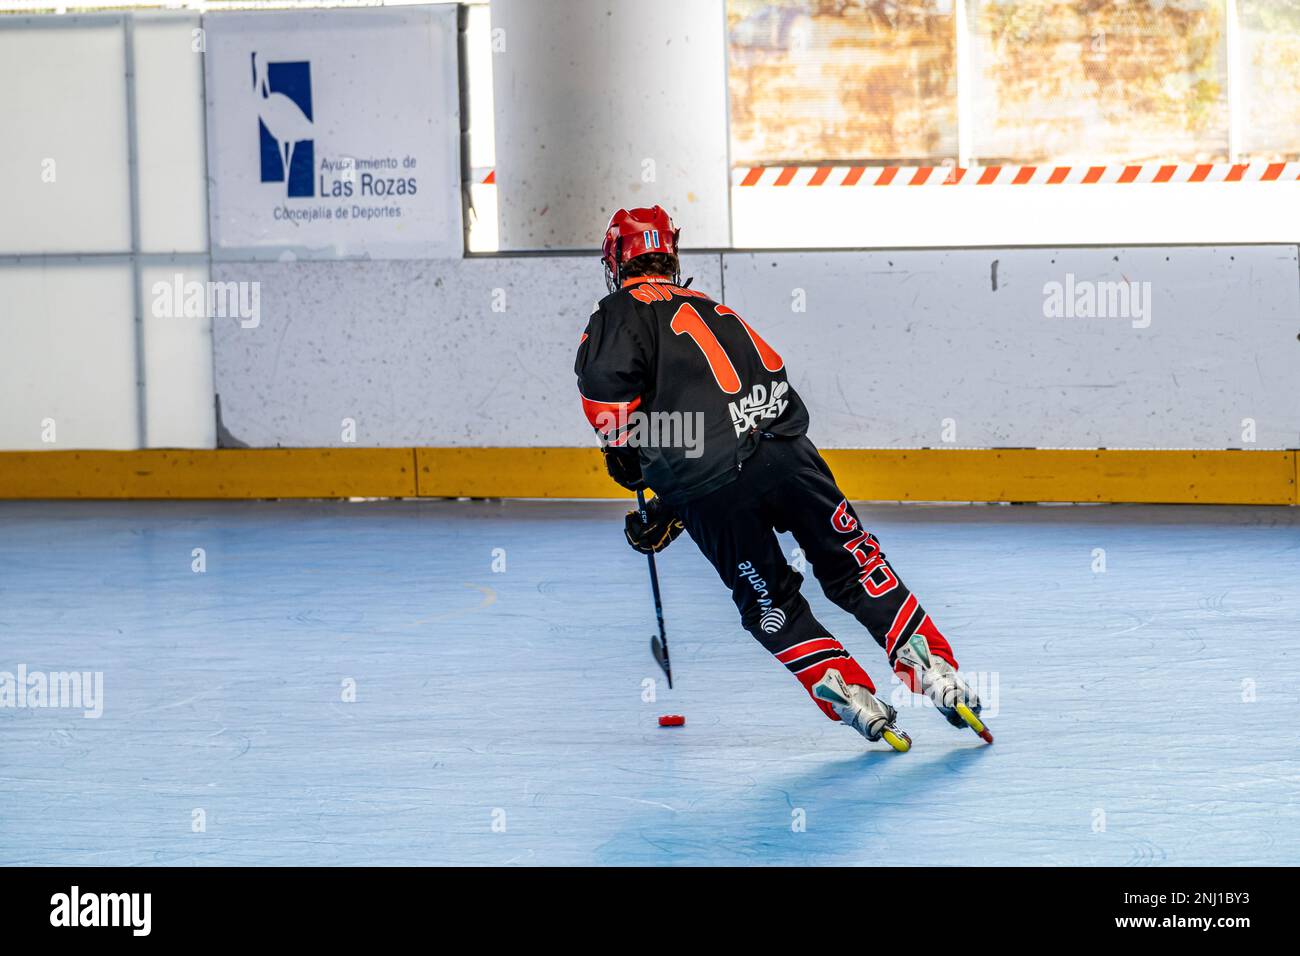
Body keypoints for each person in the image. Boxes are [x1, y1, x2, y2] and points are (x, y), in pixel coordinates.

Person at [574, 205, 991, 751]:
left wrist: (642, 467)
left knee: (770, 599)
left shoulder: (616, 312)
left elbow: (611, 395)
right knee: (853, 564)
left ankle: (846, 692)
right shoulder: (715, 308)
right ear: (671, 256)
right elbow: (748, 399)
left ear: (614, 260)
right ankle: (931, 666)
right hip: (790, 456)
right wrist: (675, 495)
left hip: (712, 491)